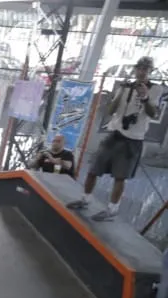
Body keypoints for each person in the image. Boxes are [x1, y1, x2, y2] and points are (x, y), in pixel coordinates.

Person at [68, 56, 164, 221]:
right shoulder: (125, 87)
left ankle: (113, 208)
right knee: (94, 168)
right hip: (115, 133)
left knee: (120, 176)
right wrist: (120, 93)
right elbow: (111, 110)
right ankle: (86, 198)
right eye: (139, 68)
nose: (141, 72)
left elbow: (153, 113)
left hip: (133, 139)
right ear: (135, 69)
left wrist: (145, 97)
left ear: (150, 72)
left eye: (145, 69)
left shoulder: (155, 89)